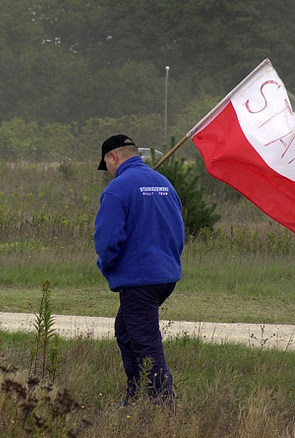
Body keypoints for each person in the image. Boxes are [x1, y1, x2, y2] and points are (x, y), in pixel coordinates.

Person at [93, 134, 185, 406]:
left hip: (140, 281)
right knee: (125, 331)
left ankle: (163, 407)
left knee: (146, 344)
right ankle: (135, 396)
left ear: (114, 157)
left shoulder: (117, 189)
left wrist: (106, 266)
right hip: (165, 276)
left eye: (107, 164)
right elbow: (178, 231)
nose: (109, 171)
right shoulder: (164, 184)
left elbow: (107, 241)